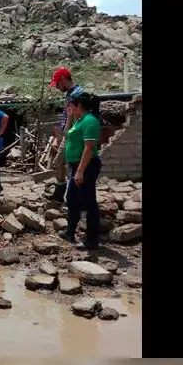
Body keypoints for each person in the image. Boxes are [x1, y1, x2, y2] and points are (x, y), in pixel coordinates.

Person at [60, 93, 103, 251]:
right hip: (76, 166)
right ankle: (70, 232)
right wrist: (70, 118)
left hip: (86, 166)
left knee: (89, 201)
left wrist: (80, 172)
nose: (69, 108)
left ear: (79, 106)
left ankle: (92, 240)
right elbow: (66, 135)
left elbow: (89, 148)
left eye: (71, 106)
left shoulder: (90, 121)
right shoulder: (78, 120)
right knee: (71, 198)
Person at [43, 66, 84, 202]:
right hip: (69, 134)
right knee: (60, 162)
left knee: (70, 164)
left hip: (73, 135)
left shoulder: (76, 94)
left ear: (63, 79)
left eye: (57, 84)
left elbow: (74, 116)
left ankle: (74, 196)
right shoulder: (72, 93)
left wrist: (67, 133)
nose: (56, 87)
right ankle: (61, 193)